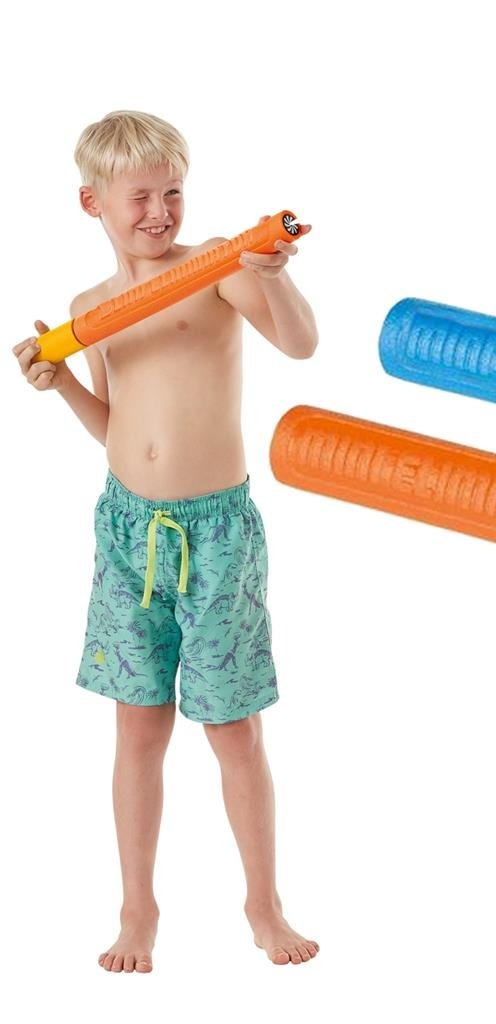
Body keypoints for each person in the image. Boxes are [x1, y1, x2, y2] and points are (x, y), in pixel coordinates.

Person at [12, 110, 319, 972]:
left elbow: (300, 344)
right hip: (126, 530)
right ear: (92, 203)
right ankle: (136, 910)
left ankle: (263, 904)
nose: (159, 212)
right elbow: (115, 425)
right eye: (139, 196)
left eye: (172, 192)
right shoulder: (90, 309)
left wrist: (270, 275)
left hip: (216, 533)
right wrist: (59, 383)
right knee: (138, 727)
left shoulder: (216, 265)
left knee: (233, 728)